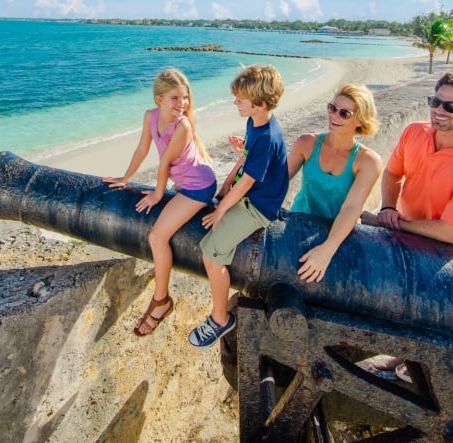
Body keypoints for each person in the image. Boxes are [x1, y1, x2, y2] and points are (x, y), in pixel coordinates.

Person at [104, 68, 217, 337]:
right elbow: (143, 148)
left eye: (185, 98)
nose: (182, 104)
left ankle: (161, 300)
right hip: (185, 181)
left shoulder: (183, 126)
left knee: (157, 237)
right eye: (175, 99)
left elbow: (164, 161)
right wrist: (126, 177)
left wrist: (157, 194)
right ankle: (161, 298)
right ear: (159, 100)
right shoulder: (150, 116)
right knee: (159, 233)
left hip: (198, 186)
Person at [359, 71, 453, 382]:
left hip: (442, 248)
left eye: (449, 107)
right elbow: (392, 173)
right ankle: (400, 355)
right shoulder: (414, 133)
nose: (439, 111)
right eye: (435, 102)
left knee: (427, 305)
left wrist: (397, 224)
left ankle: (414, 361)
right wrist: (387, 208)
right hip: (406, 230)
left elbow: (448, 232)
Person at [188, 64, 288, 349]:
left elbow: (248, 183)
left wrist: (221, 210)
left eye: (240, 100)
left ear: (259, 104)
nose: (235, 103)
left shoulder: (267, 137)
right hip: (249, 194)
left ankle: (220, 319)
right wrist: (230, 177)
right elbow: (248, 159)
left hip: (258, 206)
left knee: (212, 256)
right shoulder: (255, 124)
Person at [287, 83, 382, 282]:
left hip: (336, 233)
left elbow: (351, 208)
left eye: (344, 113)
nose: (334, 116)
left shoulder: (367, 161)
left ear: (360, 119)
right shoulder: (307, 143)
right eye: (332, 108)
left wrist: (327, 249)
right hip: (299, 223)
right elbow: (277, 182)